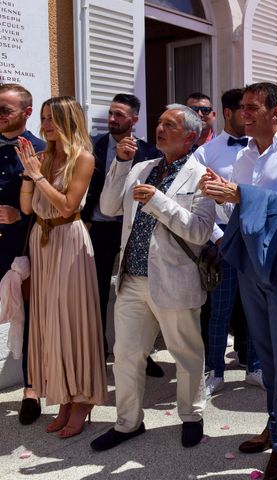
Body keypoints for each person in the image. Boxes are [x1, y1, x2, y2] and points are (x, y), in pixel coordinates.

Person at [200, 82, 277, 480]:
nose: (243, 113)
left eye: (252, 107)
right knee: (265, 355)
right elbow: (242, 207)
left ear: (276, 111)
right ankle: (273, 425)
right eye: (242, 108)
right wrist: (222, 195)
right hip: (250, 263)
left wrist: (241, 195)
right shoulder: (246, 154)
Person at [90, 104, 216, 451]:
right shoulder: (141, 167)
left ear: (190, 136)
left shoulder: (203, 175)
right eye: (159, 122)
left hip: (174, 280)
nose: (159, 128)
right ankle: (128, 422)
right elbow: (108, 206)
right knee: (127, 353)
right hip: (131, 279)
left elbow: (201, 232)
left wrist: (159, 201)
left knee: (186, 354)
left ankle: (191, 416)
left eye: (170, 125)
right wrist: (120, 164)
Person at [16, 96, 107, 438]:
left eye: (52, 119)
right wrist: (29, 176)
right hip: (43, 244)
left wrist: (38, 176)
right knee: (50, 322)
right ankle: (65, 398)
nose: (46, 125)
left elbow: (69, 206)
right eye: (43, 118)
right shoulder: (44, 157)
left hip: (69, 242)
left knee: (72, 320)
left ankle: (82, 399)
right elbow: (28, 209)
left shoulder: (82, 158)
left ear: (68, 121)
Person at [83, 93, 162, 376]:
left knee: (137, 292)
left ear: (134, 120)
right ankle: (98, 352)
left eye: (120, 115)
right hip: (99, 229)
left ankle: (144, 353)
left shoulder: (150, 152)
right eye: (111, 113)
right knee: (98, 291)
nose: (113, 119)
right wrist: (85, 219)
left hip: (132, 231)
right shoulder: (92, 145)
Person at [192, 88, 263, 395]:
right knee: (219, 310)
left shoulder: (260, 147)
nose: (250, 116)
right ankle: (215, 370)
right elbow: (199, 201)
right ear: (228, 113)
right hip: (221, 237)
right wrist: (219, 238)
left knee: (256, 308)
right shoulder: (205, 153)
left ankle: (256, 367)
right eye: (244, 110)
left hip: (255, 237)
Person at [0, 83, 46, 425]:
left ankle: (31, 391)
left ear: (26, 113)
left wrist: (21, 211)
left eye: (6, 110)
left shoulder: (43, 150)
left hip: (24, 250)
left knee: (30, 321)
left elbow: (54, 204)